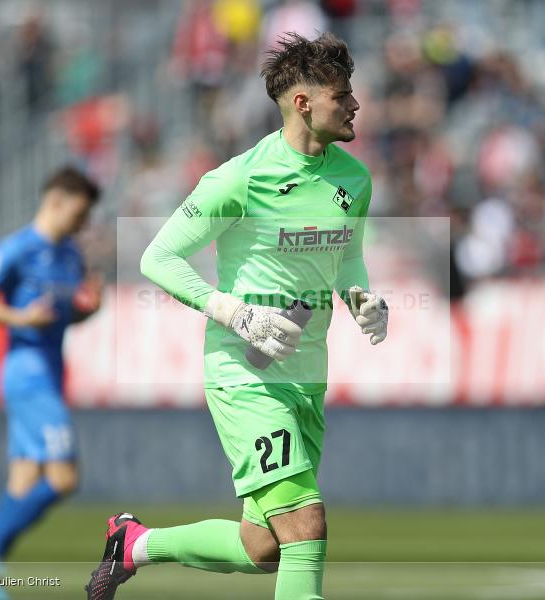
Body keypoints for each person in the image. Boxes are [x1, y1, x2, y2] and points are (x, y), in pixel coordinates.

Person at [85, 32, 388, 600]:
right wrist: (233, 311)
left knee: (264, 546)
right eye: (342, 95)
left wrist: (361, 299)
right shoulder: (240, 178)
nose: (354, 104)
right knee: (306, 526)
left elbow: (347, 255)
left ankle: (135, 545)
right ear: (303, 104)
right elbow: (158, 257)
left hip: (307, 374)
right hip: (246, 373)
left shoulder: (355, 178)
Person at [0, 166, 103, 600]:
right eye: (79, 213)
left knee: (23, 481)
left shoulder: (71, 256)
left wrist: (87, 311)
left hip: (52, 373)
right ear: (55, 200)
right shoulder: (17, 248)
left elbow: (62, 315)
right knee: (63, 478)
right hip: (27, 374)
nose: (83, 223)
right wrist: (18, 317)